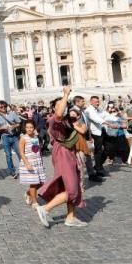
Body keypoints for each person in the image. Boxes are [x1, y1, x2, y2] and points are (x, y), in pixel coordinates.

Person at [36, 86, 88, 228]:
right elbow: (59, 113)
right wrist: (65, 94)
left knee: (73, 184)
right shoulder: (53, 120)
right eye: (60, 104)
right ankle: (45, 209)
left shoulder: (67, 120)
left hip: (70, 152)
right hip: (62, 153)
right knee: (71, 189)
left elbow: (83, 128)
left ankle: (70, 217)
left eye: (65, 103)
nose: (64, 106)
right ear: (54, 108)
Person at [72, 96, 104, 183]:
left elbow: (87, 124)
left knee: (88, 156)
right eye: (82, 101)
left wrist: (89, 136)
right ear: (77, 102)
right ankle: (79, 178)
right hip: (79, 137)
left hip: (85, 136)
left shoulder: (82, 111)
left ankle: (91, 174)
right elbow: (76, 125)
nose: (84, 103)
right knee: (81, 158)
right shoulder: (73, 112)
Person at [19, 120, 46, 208]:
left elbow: (36, 149)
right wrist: (27, 164)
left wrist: (41, 161)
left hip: (37, 162)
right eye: (27, 127)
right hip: (29, 162)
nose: (29, 129)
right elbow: (21, 152)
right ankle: (34, 202)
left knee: (41, 183)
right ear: (25, 128)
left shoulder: (35, 137)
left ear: (34, 128)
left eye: (31, 127)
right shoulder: (23, 138)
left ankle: (28, 193)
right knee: (34, 183)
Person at [0, 100, 22, 178]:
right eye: (1, 107)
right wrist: (2, 128)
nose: (3, 108)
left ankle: (24, 169)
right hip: (5, 137)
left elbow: (19, 123)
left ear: (7, 106)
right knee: (8, 155)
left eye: (4, 106)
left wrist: (14, 126)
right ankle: (12, 171)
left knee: (20, 153)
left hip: (14, 136)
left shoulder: (12, 114)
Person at [85, 96, 109, 177]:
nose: (97, 103)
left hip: (102, 130)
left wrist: (117, 120)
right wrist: (109, 124)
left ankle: (97, 166)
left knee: (108, 148)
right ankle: (99, 169)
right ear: (91, 102)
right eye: (96, 102)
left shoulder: (99, 109)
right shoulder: (88, 110)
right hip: (94, 133)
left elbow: (106, 116)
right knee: (98, 151)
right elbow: (96, 119)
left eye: (98, 102)